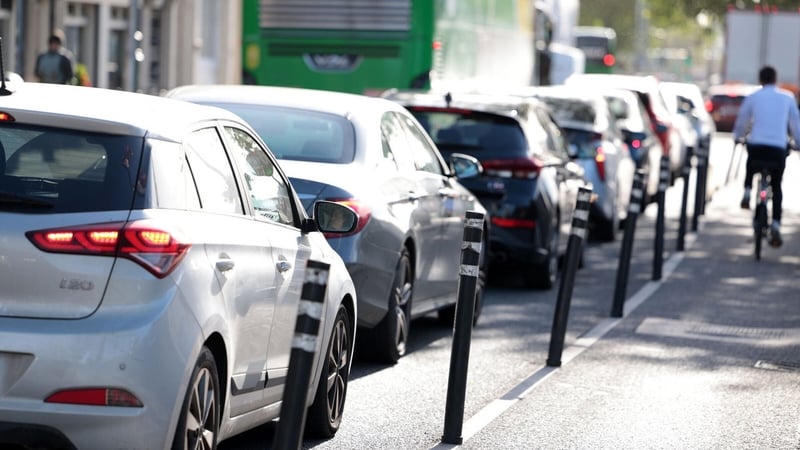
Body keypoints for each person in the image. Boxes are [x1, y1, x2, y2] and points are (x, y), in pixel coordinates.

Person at [733, 65, 800, 248]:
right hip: (778, 149)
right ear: (775, 79)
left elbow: (742, 121)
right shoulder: (787, 98)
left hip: (757, 147)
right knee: (776, 186)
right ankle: (776, 223)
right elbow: (795, 124)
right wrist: (798, 143)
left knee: (751, 163)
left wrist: (737, 137)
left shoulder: (754, 97)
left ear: (760, 79)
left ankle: (747, 191)